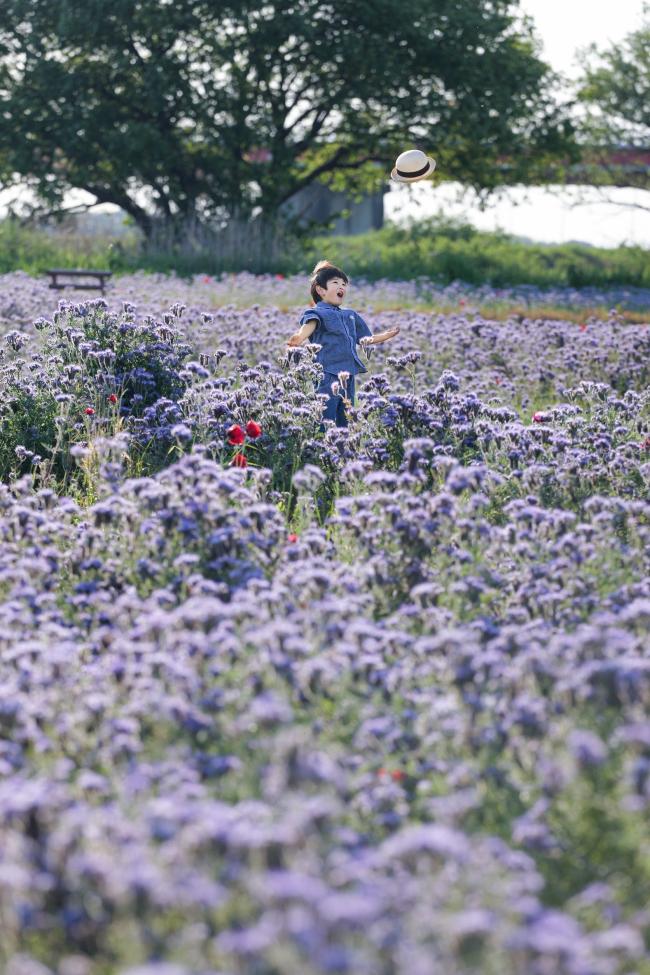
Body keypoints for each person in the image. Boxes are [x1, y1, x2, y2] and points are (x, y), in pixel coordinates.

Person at [287, 260, 400, 428]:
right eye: (335, 283)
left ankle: (343, 451)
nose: (342, 286)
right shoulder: (317, 313)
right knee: (325, 417)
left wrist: (386, 335)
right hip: (326, 373)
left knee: (346, 418)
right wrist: (296, 340)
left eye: (344, 284)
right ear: (320, 290)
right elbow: (306, 330)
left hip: (348, 374)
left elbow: (364, 339)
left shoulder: (350, 315)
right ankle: (322, 449)